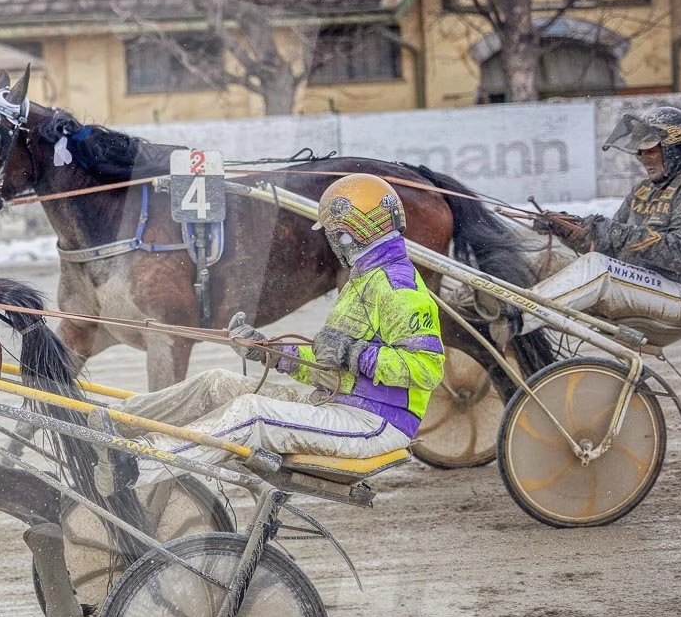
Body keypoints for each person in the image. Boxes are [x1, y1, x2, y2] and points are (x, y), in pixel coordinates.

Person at [119, 173, 445, 469]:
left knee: (253, 413)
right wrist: (270, 351)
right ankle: (114, 421)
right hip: (338, 404)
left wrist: (354, 353)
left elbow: (428, 370)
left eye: (333, 234)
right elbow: (329, 368)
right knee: (217, 382)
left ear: (350, 234)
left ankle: (139, 465)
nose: (331, 242)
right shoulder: (363, 282)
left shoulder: (399, 288)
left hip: (374, 423)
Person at [527, 106, 681, 329]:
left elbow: (679, 255)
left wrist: (609, 231)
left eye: (650, 150)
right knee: (547, 261)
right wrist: (570, 229)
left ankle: (521, 318)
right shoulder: (643, 190)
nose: (642, 158)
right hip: (649, 283)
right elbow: (611, 246)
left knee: (597, 267)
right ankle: (513, 319)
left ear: (676, 147)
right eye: (640, 151)